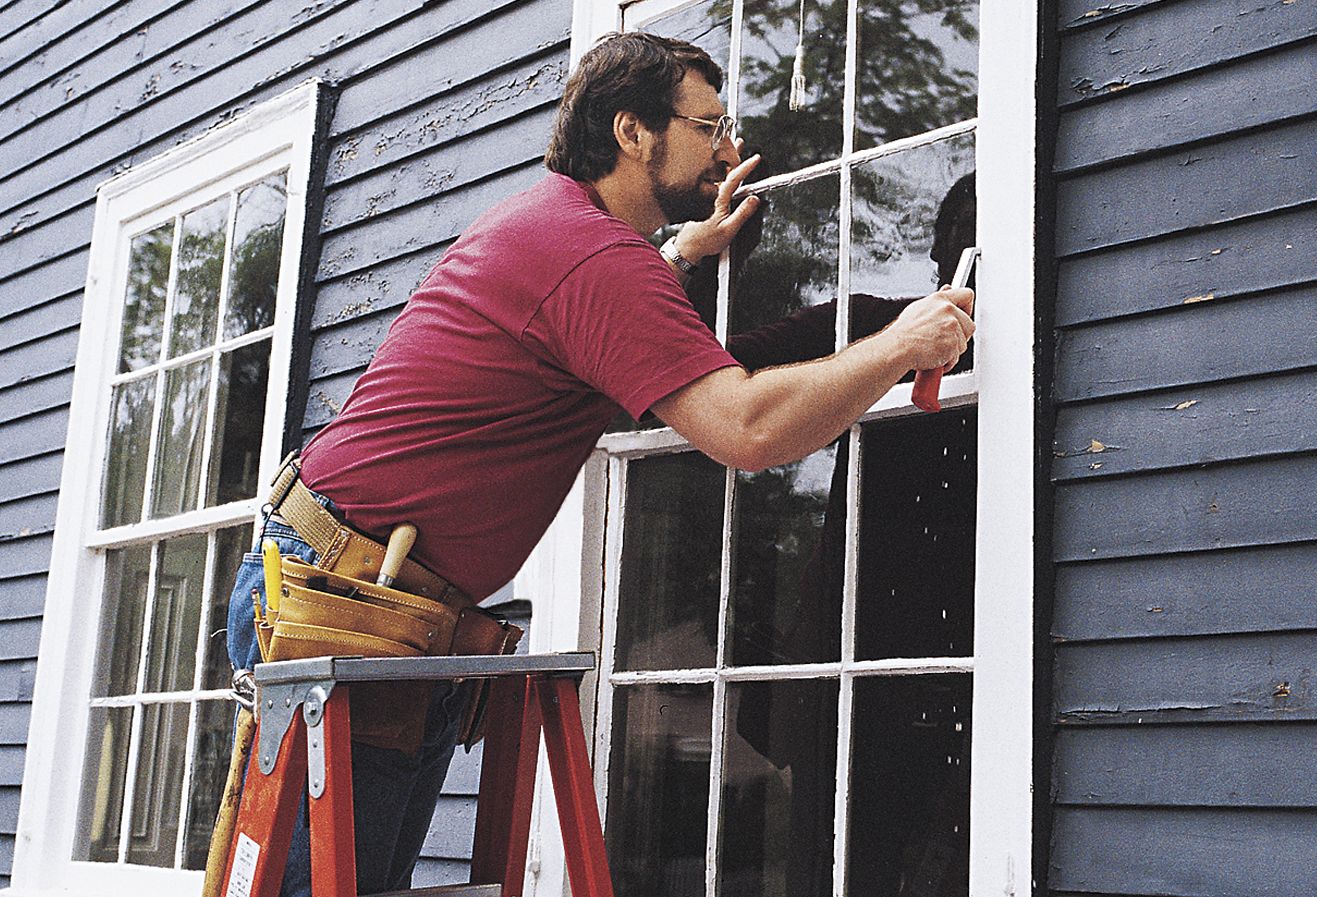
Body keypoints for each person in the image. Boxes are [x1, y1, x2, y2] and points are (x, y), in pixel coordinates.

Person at [223, 29, 974, 896]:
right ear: (632, 132)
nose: (731, 149)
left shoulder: (559, 228)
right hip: (349, 602)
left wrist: (684, 256)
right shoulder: (595, 260)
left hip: (369, 592)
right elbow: (744, 430)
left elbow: (604, 339)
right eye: (709, 126)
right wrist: (898, 345)